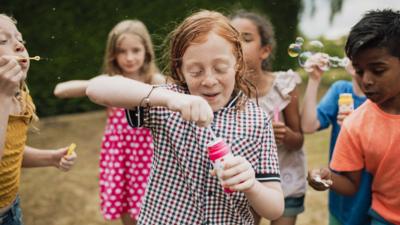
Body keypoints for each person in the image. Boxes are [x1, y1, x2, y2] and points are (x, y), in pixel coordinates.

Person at [86, 10, 284, 225]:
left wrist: (251, 184)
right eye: (195, 71)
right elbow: (96, 88)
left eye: (220, 68)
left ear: (237, 62)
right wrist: (168, 99)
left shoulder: (258, 121)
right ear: (180, 71)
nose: (209, 80)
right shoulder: (166, 105)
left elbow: (275, 209)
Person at [54, 20, 164, 225]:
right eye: (122, 51)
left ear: (147, 51)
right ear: (113, 54)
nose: (129, 57)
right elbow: (60, 90)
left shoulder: (155, 80)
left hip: (149, 157)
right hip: (120, 156)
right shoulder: (109, 82)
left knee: (152, 208)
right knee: (127, 208)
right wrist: (99, 85)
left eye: (136, 50)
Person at [307, 9, 400, 225]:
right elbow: (351, 184)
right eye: (359, 71)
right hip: (384, 219)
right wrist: (327, 178)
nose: (366, 80)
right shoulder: (356, 124)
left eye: (378, 70)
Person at [0, 14, 77, 225]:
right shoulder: (6, 97)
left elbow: (10, 152)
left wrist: (51, 158)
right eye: (2, 41)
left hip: (11, 211)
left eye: (20, 39)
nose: (18, 46)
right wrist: (3, 98)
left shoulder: (20, 97)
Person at [230, 10, 305, 225]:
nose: (237, 44)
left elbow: (299, 140)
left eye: (246, 38)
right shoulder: (226, 93)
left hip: (285, 182)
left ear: (264, 51)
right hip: (246, 182)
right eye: (231, 38)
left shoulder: (284, 87)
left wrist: (286, 135)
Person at [301, 52, 372, 225]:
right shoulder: (341, 90)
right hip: (341, 199)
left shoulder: (385, 98)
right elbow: (308, 126)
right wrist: (314, 80)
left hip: (373, 200)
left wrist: (356, 124)